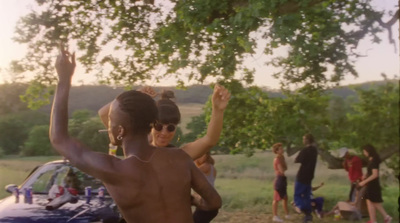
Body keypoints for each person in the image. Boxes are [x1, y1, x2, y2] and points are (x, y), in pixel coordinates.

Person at [49, 44, 222, 223]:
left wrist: (64, 79)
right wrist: (190, 200)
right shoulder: (180, 158)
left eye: (111, 122)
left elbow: (59, 138)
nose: (109, 126)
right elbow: (214, 201)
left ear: (121, 130)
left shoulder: (114, 170)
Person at [99, 85, 230, 161]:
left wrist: (217, 110)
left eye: (171, 128)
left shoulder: (177, 156)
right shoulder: (136, 147)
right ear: (150, 124)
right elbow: (104, 114)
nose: (164, 132)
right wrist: (136, 95)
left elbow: (210, 140)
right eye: (159, 126)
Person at [357, 144, 392, 223]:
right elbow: (371, 171)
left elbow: (375, 174)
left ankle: (387, 217)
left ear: (369, 151)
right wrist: (365, 175)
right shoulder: (371, 160)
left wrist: (363, 182)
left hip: (373, 184)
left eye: (364, 151)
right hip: (370, 183)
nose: (364, 153)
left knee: (374, 202)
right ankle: (373, 220)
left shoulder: (374, 161)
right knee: (369, 201)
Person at [293, 133, 318, 223]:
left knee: (297, 195)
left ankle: (300, 207)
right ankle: (308, 216)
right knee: (307, 196)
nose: (303, 140)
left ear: (307, 140)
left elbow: (297, 160)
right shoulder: (315, 150)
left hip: (302, 175)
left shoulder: (305, 150)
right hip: (310, 176)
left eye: (304, 139)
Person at [192, 152, 219, 223]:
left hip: (206, 204)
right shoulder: (211, 167)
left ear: (206, 156)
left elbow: (189, 172)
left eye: (201, 155)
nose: (199, 157)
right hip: (210, 202)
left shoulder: (205, 166)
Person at [271, 143, 290, 222]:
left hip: (282, 178)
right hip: (279, 179)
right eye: (281, 149)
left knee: (285, 197)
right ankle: (275, 216)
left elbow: (285, 168)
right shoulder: (277, 159)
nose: (283, 150)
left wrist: (283, 168)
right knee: (277, 198)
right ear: (277, 151)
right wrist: (283, 168)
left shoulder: (282, 158)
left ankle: (287, 214)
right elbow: (282, 170)